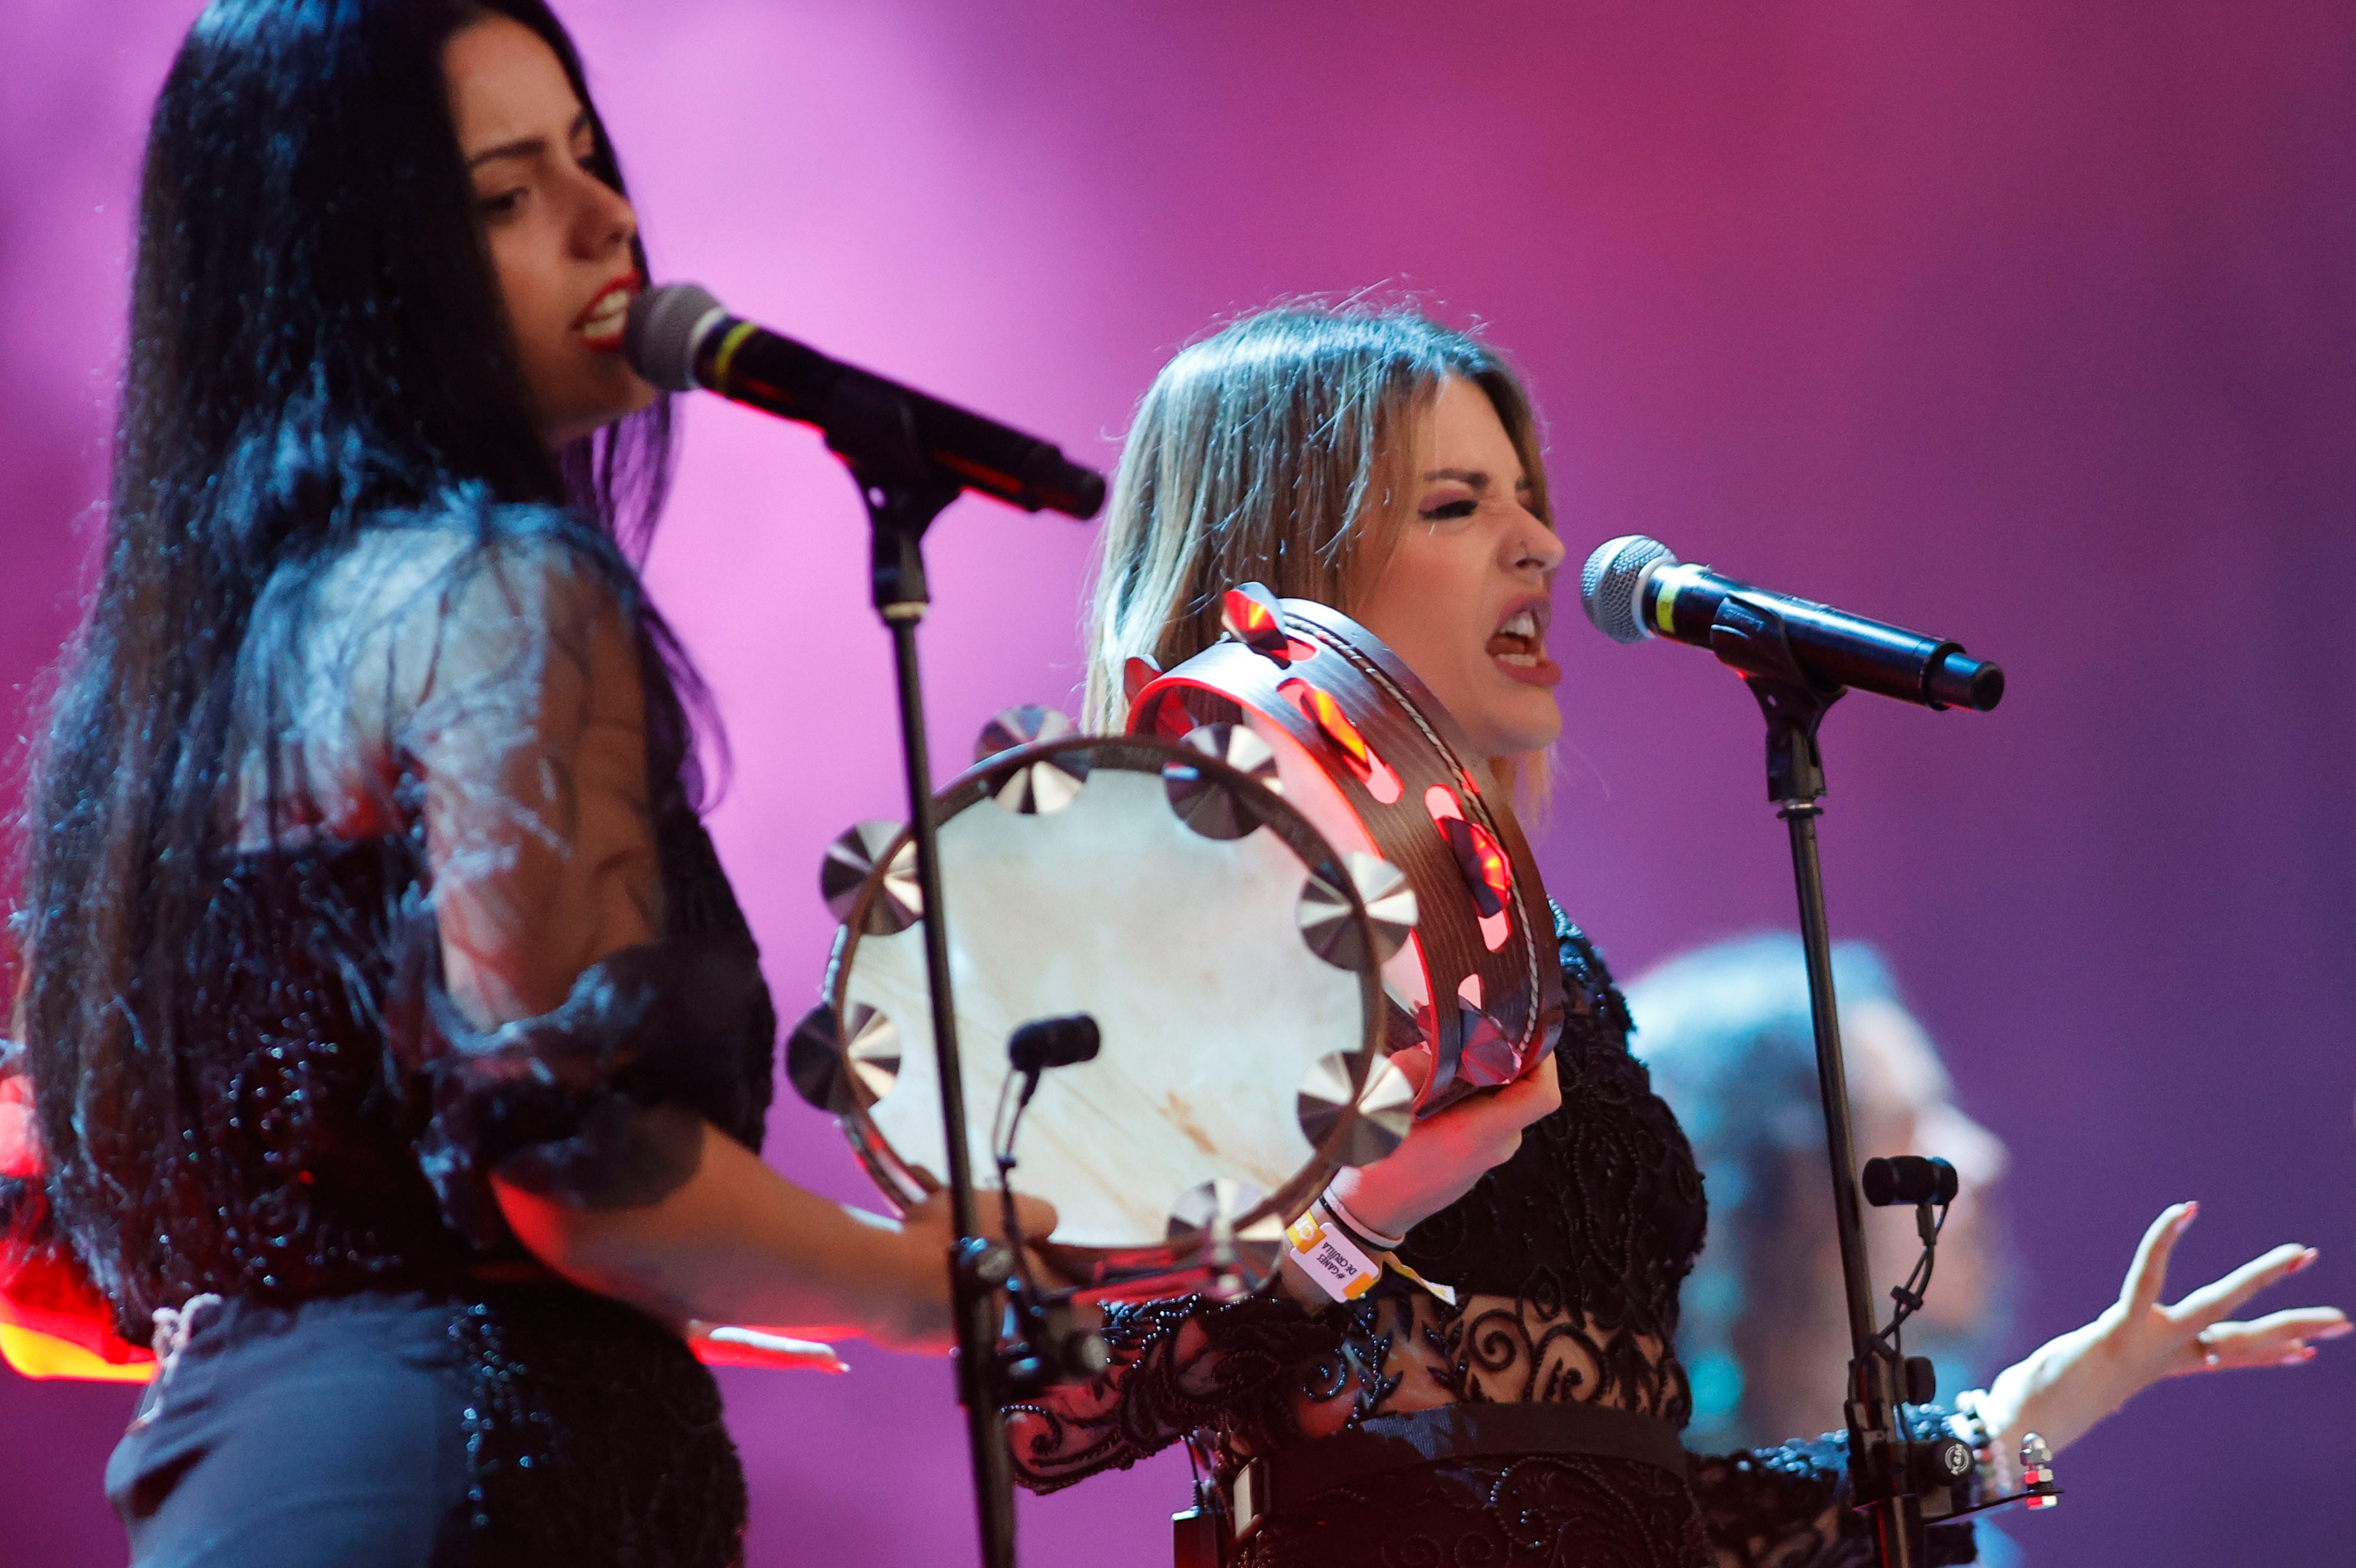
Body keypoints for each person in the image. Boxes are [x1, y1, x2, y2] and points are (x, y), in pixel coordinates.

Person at [1001, 303, 2347, 1567]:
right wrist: (1368, 1206)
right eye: (1459, 507)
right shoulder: (1195, 929)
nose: (1536, 545)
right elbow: (1045, 1404)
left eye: (1528, 499)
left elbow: (1636, 1493)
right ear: (1280, 576)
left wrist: (2008, 1419)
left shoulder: (1550, 968)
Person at [0, 3, 1042, 1564]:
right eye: (503, 196)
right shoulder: (494, 594)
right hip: (464, 1489)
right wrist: (918, 1276)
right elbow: (581, 1162)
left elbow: (46, 1259)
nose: (606, 217)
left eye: (586, 156)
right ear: (351, 274)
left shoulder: (160, 688)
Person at [1627, 936, 2016, 1457]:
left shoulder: (1954, 1512)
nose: (1984, 1159)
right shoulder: (1651, 1522)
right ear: (1773, 1201)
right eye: (1903, 1128)